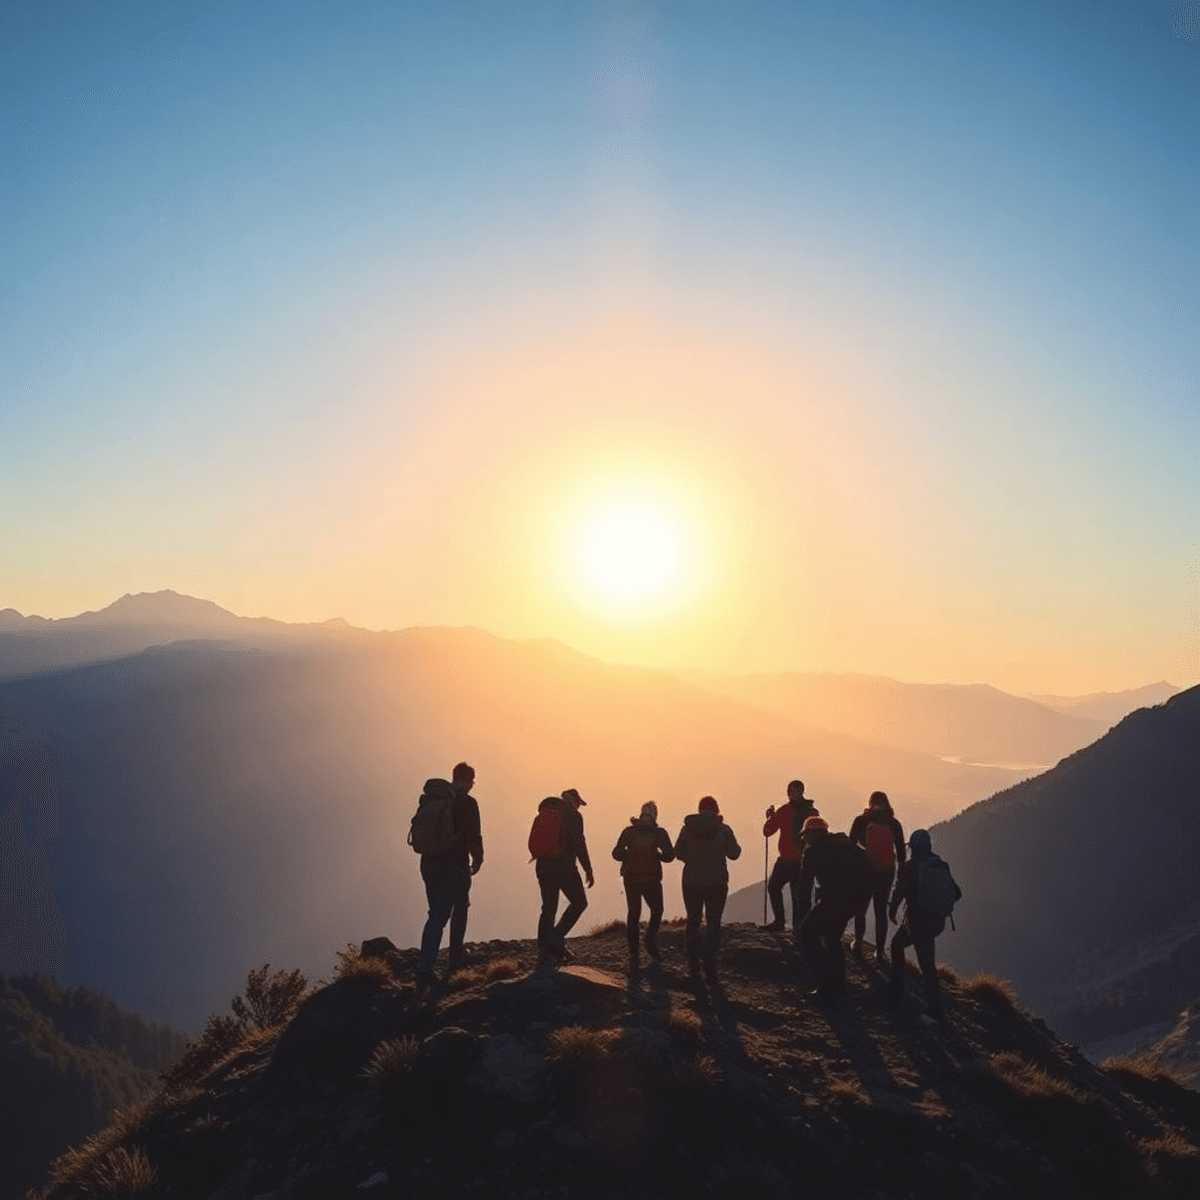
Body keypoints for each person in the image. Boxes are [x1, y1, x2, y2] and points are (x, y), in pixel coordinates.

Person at [415, 762, 484, 988]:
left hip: (428, 862)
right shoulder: (466, 801)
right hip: (454, 863)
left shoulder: (432, 799)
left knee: (435, 913)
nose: (473, 785)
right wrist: (478, 858)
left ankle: (425, 966)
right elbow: (474, 834)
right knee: (459, 908)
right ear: (468, 780)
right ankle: (453, 960)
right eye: (472, 780)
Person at [795, 815, 874, 1000]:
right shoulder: (846, 844)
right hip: (853, 902)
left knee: (807, 933)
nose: (804, 839)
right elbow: (867, 870)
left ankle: (825, 986)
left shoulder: (812, 851)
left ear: (812, 834)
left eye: (805, 835)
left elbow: (804, 888)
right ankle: (838, 986)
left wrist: (804, 916)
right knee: (833, 938)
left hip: (832, 900)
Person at [887, 828, 962, 1022]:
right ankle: (904, 994)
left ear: (913, 848)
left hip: (917, 922)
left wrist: (892, 911)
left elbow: (898, 893)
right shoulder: (940, 864)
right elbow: (957, 893)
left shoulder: (908, 867)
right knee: (913, 953)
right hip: (937, 922)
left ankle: (934, 1009)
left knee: (921, 962)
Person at [673, 796, 741, 978]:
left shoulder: (688, 828)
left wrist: (692, 860)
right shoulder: (723, 830)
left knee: (693, 921)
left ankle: (693, 965)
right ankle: (710, 964)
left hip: (691, 881)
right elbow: (734, 854)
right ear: (716, 809)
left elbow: (677, 852)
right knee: (713, 923)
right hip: (717, 882)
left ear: (699, 809)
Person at [612, 801, 675, 967]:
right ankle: (650, 939)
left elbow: (616, 853)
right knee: (657, 910)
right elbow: (670, 856)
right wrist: (656, 856)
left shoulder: (629, 831)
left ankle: (634, 953)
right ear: (655, 815)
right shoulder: (659, 833)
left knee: (633, 913)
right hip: (651, 879)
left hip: (630, 878)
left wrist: (628, 856)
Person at [535, 788, 594, 962]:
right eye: (579, 803)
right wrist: (588, 869)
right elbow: (579, 843)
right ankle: (556, 937)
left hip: (543, 864)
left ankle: (545, 949)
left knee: (548, 908)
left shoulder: (547, 811)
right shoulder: (573, 816)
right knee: (579, 902)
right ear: (574, 800)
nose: (579, 806)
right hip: (564, 866)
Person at [848, 791, 905, 962]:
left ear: (870, 802)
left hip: (865, 869)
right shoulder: (893, 823)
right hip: (887, 872)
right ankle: (880, 952)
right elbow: (901, 853)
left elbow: (851, 844)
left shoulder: (861, 820)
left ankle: (857, 943)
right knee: (881, 911)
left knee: (861, 908)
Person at [762, 780, 817, 930]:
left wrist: (770, 817)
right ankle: (797, 927)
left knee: (775, 887)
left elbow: (767, 831)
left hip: (788, 858)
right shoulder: (811, 812)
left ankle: (780, 922)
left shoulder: (785, 810)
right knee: (796, 895)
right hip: (802, 859)